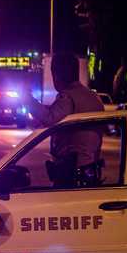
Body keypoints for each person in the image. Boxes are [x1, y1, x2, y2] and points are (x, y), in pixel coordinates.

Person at [24, 52, 106, 188]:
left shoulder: (68, 96)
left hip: (71, 175)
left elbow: (50, 118)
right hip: (90, 172)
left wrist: (26, 98)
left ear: (57, 75)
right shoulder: (93, 97)